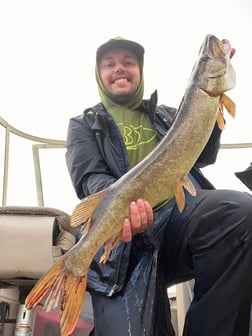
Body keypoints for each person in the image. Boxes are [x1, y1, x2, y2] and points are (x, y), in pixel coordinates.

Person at [65, 37, 252, 336]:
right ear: (99, 74)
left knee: (241, 212)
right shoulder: (84, 124)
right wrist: (123, 211)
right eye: (109, 64)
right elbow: (90, 178)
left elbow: (204, 155)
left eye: (128, 62)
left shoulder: (167, 113)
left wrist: (212, 106)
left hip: (179, 221)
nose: (120, 69)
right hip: (123, 245)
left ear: (139, 69)